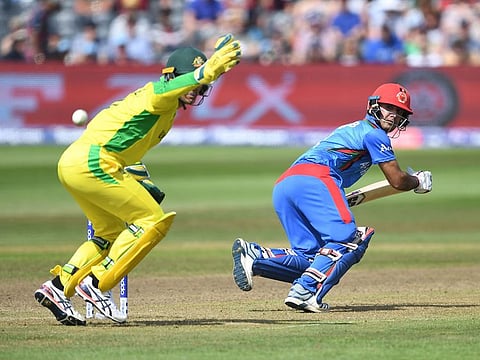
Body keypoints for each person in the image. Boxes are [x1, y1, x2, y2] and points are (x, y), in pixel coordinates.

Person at [34, 34, 242, 325]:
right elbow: (169, 90)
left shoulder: (165, 110)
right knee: (153, 220)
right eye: (192, 84)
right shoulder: (158, 95)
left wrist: (138, 178)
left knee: (110, 233)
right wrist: (206, 72)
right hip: (93, 161)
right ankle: (95, 282)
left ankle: (58, 287)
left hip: (79, 162)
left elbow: (124, 145)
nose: (197, 91)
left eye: (202, 88)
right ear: (173, 77)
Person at [231, 83, 432, 312]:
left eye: (400, 112)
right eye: (389, 107)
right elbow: (397, 180)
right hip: (316, 179)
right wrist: (418, 181)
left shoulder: (353, 129)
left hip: (287, 184)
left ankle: (256, 257)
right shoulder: (375, 134)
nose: (394, 115)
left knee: (314, 258)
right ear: (374, 106)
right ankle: (306, 292)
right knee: (350, 238)